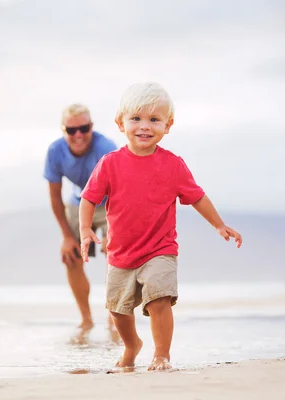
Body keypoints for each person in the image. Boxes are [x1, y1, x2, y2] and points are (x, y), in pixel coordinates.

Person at [79, 82, 242, 371]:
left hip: (160, 248)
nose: (145, 126)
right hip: (121, 252)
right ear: (121, 123)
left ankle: (161, 355)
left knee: (159, 299)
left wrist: (219, 225)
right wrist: (84, 229)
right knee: (118, 310)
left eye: (154, 120)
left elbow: (197, 197)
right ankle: (132, 345)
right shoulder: (110, 164)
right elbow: (89, 198)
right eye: (136, 119)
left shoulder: (173, 165)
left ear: (168, 126)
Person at [43, 103, 118, 342]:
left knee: (115, 253)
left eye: (83, 129)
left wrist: (112, 231)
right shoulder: (55, 151)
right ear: (63, 130)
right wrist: (66, 236)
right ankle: (86, 319)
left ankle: (114, 318)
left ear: (91, 127)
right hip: (77, 203)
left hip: (109, 203)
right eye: (71, 130)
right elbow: (55, 196)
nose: (78, 135)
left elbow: (120, 190)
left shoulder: (106, 148)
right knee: (71, 256)